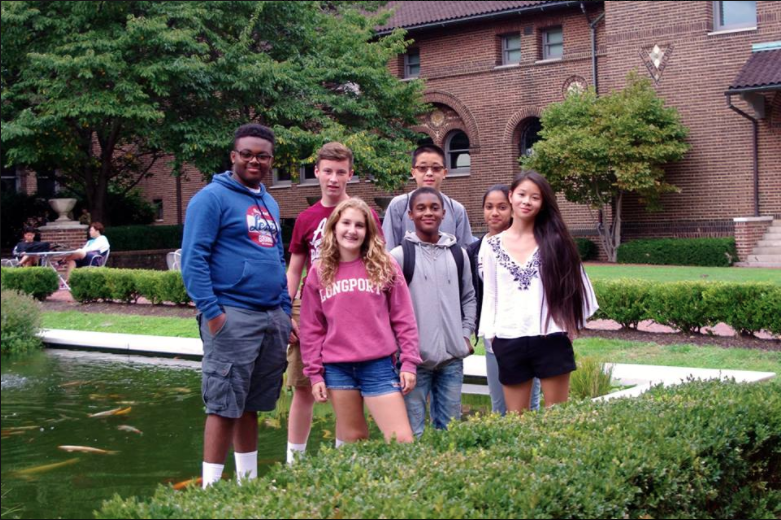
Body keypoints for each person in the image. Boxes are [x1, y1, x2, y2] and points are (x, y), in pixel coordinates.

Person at [181, 123, 292, 488]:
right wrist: (213, 314)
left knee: (251, 406)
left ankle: (248, 485)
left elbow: (276, 258)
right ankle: (211, 490)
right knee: (222, 406)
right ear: (233, 156)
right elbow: (193, 259)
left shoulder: (270, 202)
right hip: (232, 315)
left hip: (270, 317)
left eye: (263, 156)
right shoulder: (211, 198)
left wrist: (284, 311)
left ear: (271, 160)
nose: (254, 161)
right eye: (247, 154)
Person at [285, 142, 381, 463]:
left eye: (341, 172)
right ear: (316, 172)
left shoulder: (365, 216)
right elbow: (294, 269)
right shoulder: (306, 219)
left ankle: (344, 462)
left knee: (349, 390)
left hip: (352, 308)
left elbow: (377, 264)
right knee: (303, 388)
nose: (333, 178)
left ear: (350, 174)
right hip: (311, 309)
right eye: (327, 171)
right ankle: (294, 463)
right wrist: (285, 311)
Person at [299, 198, 420, 445]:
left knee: (402, 440)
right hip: (337, 369)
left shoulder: (385, 265)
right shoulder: (319, 270)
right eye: (346, 223)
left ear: (368, 231)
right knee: (354, 440)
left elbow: (404, 318)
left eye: (359, 225)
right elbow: (311, 328)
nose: (352, 230)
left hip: (378, 365)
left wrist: (409, 362)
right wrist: (315, 374)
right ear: (334, 226)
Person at [478, 171, 598, 414]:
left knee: (557, 417)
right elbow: (490, 292)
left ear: (543, 203)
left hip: (551, 336)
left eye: (535, 197)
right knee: (517, 420)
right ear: (511, 196)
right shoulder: (491, 245)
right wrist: (491, 336)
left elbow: (578, 287)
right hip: (508, 338)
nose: (527, 201)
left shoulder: (556, 241)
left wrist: (570, 326)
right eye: (522, 194)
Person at [390, 187, 476, 437]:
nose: (428, 213)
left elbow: (469, 297)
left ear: (443, 213)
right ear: (410, 215)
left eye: (434, 207)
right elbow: (388, 308)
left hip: (452, 359)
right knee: (411, 433)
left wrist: (464, 335)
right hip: (414, 361)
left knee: (449, 432)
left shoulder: (458, 254)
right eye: (421, 208)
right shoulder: (399, 256)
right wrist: (400, 348)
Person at [467, 185, 541, 415]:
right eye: (489, 207)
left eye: (501, 207)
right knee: (499, 404)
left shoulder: (530, 243)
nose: (494, 213)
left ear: (512, 209)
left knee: (530, 405)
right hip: (495, 335)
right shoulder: (474, 250)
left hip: (527, 333)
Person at [382, 144, 473, 250]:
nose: (429, 173)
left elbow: (465, 252)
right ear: (413, 172)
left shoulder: (457, 210)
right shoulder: (398, 206)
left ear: (444, 173)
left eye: (436, 168)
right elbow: (387, 250)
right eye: (422, 168)